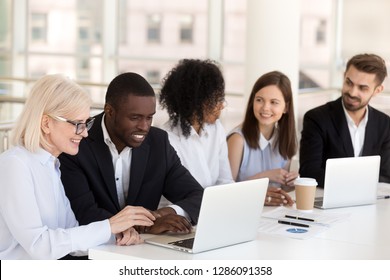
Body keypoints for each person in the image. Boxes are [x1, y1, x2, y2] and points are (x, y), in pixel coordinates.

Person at [0, 74, 155, 260]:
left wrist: (115, 236)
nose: (85, 133)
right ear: (46, 123)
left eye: (86, 123)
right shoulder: (15, 165)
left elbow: (70, 235)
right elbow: (39, 246)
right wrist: (109, 226)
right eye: (77, 124)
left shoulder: (51, 166)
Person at [58, 72, 204, 235]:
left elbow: (198, 197)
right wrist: (146, 226)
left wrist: (161, 214)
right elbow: (84, 212)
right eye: (135, 117)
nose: (144, 126)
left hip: (141, 250)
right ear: (110, 111)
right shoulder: (77, 141)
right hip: (91, 253)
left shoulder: (158, 142)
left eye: (149, 118)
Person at [299, 53, 390, 187]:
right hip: (329, 201)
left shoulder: (385, 124)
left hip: (372, 202)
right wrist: (355, 183)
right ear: (343, 76)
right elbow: (309, 172)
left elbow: (386, 174)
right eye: (349, 83)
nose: (352, 92)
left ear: (377, 90)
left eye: (362, 88)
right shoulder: (317, 118)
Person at [159, 58, 234, 189]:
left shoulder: (216, 129)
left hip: (214, 205)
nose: (221, 105)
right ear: (195, 102)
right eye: (216, 99)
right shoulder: (167, 139)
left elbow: (225, 181)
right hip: (181, 208)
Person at [227, 71, 298, 206]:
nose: (265, 108)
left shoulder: (284, 139)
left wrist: (291, 182)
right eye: (259, 100)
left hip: (273, 214)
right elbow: (226, 191)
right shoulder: (237, 140)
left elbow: (282, 190)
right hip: (242, 211)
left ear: (286, 107)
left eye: (274, 102)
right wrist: (265, 175)